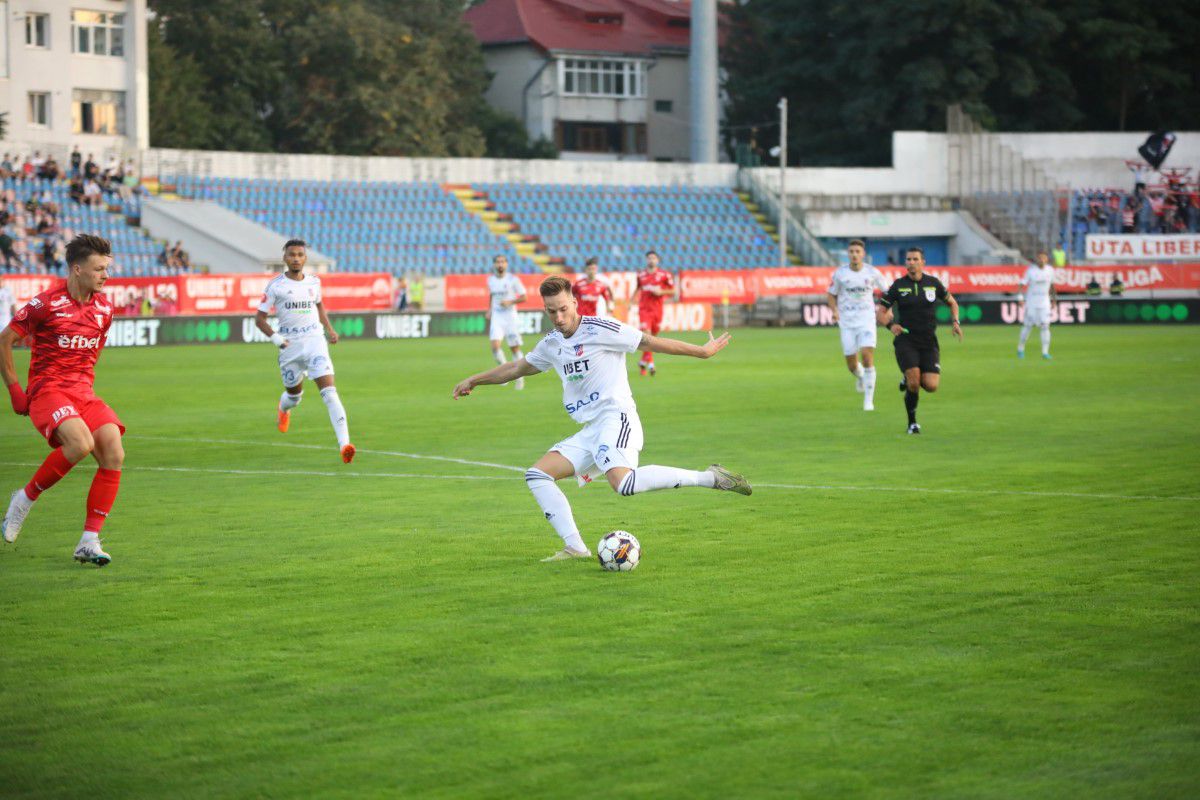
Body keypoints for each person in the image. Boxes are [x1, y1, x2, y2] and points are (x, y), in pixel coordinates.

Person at [451, 275, 751, 562]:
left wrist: (701, 351)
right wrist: (474, 380)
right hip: (592, 429)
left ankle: (711, 478)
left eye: (563, 309)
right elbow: (516, 368)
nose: (558, 317)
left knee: (623, 483)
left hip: (617, 417)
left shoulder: (601, 328)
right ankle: (575, 548)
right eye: (552, 311)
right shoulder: (551, 344)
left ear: (575, 303)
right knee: (537, 475)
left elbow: (649, 342)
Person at [1, 234, 124, 565]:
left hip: (82, 391)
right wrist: (15, 390)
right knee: (80, 443)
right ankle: (23, 500)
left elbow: (94, 351)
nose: (105, 275)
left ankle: (89, 541)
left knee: (113, 450)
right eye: (99, 269)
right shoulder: (45, 303)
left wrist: (84, 385)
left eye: (107, 268)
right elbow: (5, 340)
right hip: (48, 389)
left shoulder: (105, 308)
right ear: (77, 269)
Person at [255, 239, 355, 463]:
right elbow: (259, 319)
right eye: (292, 255)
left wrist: (329, 329)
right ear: (285, 258)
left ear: (305, 258)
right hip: (289, 347)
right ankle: (283, 408)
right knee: (294, 397)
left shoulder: (314, 282)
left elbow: (319, 305)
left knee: (330, 393)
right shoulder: (275, 286)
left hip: (314, 342)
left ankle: (345, 445)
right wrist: (277, 339)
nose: (296, 259)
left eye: (300, 255)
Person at [876, 247, 962, 435]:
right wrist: (891, 326)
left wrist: (956, 321)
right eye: (908, 259)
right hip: (906, 340)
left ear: (923, 262)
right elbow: (880, 312)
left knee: (931, 386)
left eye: (915, 259)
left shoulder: (933, 284)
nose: (911, 262)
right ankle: (912, 423)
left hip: (929, 342)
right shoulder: (898, 286)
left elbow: (952, 303)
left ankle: (907, 378)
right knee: (914, 382)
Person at [826, 239, 889, 410]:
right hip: (847, 323)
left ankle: (868, 401)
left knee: (867, 357)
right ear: (848, 254)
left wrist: (887, 309)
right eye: (851, 251)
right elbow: (831, 294)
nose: (854, 254)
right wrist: (834, 310)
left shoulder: (872, 272)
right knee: (852, 365)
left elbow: (887, 291)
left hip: (867, 321)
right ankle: (860, 376)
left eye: (857, 251)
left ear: (863, 254)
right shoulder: (840, 274)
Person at [485, 254, 528, 391]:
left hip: (510, 317)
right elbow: (492, 295)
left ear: (506, 264)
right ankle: (505, 375)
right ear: (494, 264)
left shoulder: (513, 280)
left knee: (514, 348)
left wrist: (510, 301)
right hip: (497, 316)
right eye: (498, 262)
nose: (500, 264)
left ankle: (519, 377)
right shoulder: (490, 280)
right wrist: (489, 309)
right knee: (495, 346)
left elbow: (524, 297)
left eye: (502, 262)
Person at [632, 250, 676, 376]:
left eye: (654, 258)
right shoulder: (641, 275)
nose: (651, 260)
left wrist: (661, 292)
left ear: (658, 260)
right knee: (647, 336)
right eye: (649, 258)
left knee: (652, 338)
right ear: (646, 260)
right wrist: (631, 301)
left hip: (657, 310)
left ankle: (642, 361)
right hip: (644, 310)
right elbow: (637, 288)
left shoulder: (664, 275)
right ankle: (651, 364)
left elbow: (673, 291)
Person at [1018, 250, 1057, 360]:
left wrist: (1054, 300)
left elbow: (1052, 286)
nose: (1041, 260)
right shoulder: (1031, 271)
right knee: (1028, 326)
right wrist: (1020, 298)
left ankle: (1045, 352)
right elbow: (1021, 284)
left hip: (1044, 302)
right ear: (1036, 259)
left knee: (1045, 326)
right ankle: (1021, 348)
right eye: (1039, 258)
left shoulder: (1050, 270)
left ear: (1046, 259)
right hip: (1032, 302)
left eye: (1043, 258)